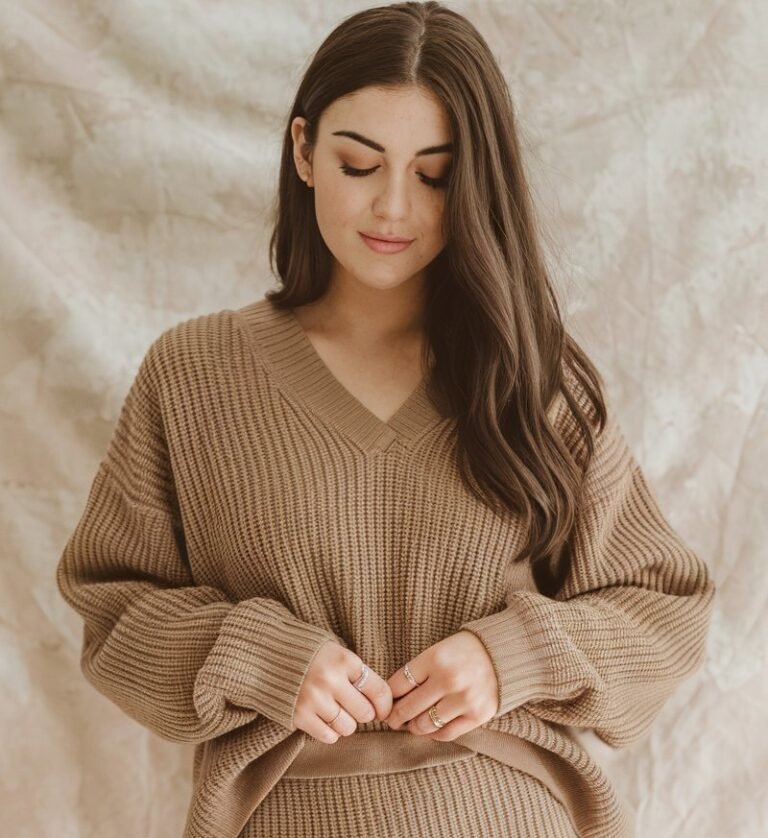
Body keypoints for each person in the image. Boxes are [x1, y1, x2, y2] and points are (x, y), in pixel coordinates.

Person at [55, 2, 716, 837]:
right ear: (303, 151)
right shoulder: (193, 377)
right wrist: (260, 659)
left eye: (435, 173)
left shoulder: (532, 378)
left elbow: (664, 608)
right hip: (284, 812)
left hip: (507, 809)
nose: (394, 209)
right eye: (360, 163)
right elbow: (114, 607)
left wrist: (510, 658)